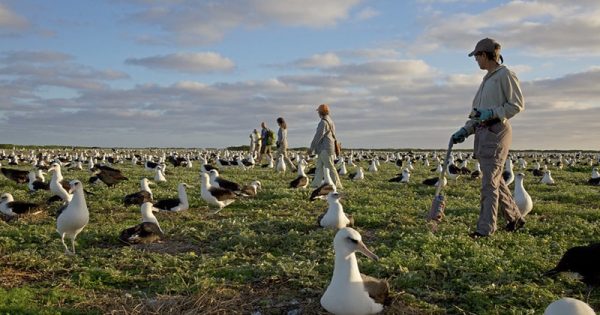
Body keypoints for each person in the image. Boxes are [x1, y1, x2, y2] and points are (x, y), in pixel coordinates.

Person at [451, 38, 525, 238]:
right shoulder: (487, 80)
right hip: (483, 133)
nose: (475, 60)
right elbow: (476, 114)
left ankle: (485, 230)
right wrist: (465, 130)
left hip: (497, 131)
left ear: (484, 55)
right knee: (495, 180)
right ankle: (515, 219)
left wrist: (492, 113)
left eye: (476, 56)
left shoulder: (505, 75)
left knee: (489, 184)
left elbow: (516, 105)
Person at [309, 104, 342, 188]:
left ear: (320, 112)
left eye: (318, 112)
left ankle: (337, 185)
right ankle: (315, 184)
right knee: (319, 167)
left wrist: (311, 148)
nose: (318, 113)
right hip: (326, 148)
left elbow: (318, 136)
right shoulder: (331, 121)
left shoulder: (323, 122)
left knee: (330, 167)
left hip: (325, 149)